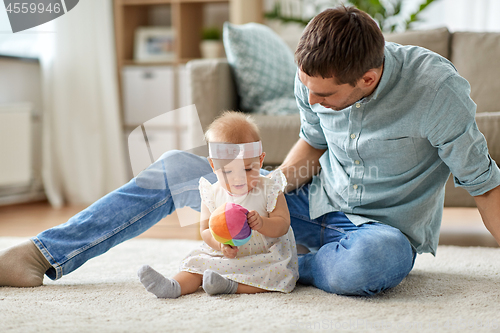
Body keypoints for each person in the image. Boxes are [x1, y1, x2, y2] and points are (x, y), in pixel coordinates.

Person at [1, 5, 500, 296]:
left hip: (379, 230)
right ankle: (43, 254)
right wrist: (265, 190)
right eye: (308, 88)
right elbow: (313, 146)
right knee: (178, 167)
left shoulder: (437, 90)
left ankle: (272, 268)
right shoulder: (313, 79)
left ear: (367, 79)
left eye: (324, 95)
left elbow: (484, 183)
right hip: (315, 205)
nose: (313, 98)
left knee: (376, 263)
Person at [137, 111, 298, 298]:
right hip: (225, 254)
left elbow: (283, 224)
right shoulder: (212, 193)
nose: (238, 178)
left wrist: (262, 223)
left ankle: (230, 286)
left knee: (276, 275)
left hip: (263, 256)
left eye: (247, 169)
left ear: (260, 161)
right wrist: (220, 245)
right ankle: (174, 286)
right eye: (228, 171)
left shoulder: (269, 189)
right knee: (198, 264)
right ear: (213, 166)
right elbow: (205, 229)